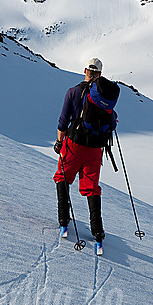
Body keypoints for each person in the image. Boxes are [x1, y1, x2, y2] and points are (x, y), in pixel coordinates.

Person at [53, 57, 117, 251]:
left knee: (62, 177)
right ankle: (97, 230)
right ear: (100, 74)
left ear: (85, 71)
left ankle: (64, 219)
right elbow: (112, 123)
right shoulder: (105, 97)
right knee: (91, 187)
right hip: (96, 149)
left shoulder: (73, 92)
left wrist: (59, 142)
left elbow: (63, 121)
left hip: (73, 145)